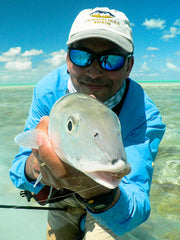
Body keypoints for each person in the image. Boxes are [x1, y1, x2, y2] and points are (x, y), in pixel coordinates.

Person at [10, 7, 166, 240]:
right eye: (81, 56)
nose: (94, 72)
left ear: (129, 66)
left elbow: (137, 208)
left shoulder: (144, 114)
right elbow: (18, 171)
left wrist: (97, 193)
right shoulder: (47, 91)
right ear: (67, 59)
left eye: (110, 60)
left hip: (113, 197)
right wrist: (36, 165)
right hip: (61, 195)